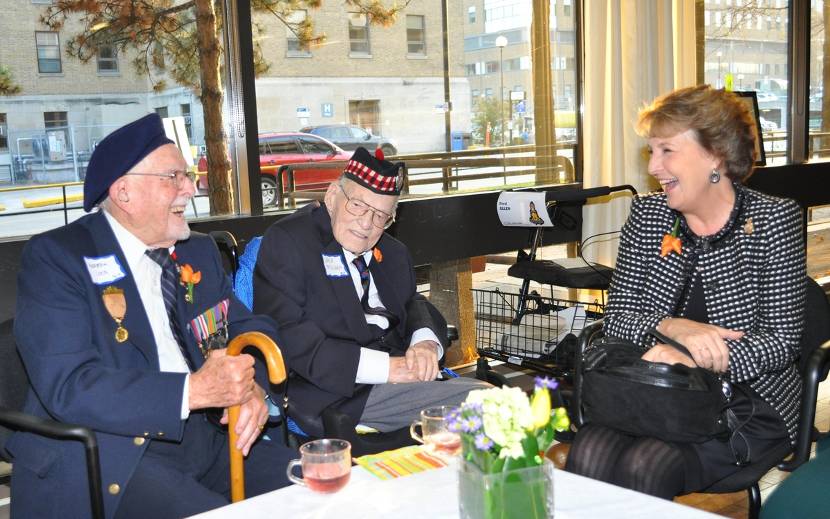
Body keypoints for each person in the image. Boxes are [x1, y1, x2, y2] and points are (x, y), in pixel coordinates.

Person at [9, 114, 294, 519]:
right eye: (173, 176)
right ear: (124, 192)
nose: (190, 188)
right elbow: (70, 386)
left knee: (325, 486)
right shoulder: (60, 258)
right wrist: (193, 392)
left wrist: (252, 390)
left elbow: (250, 327)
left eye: (189, 175)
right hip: (112, 454)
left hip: (208, 438)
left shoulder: (196, 251)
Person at [565, 85, 805, 499]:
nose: (654, 167)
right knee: (588, 451)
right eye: (651, 152)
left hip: (745, 397)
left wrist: (696, 358)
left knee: (647, 465)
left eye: (667, 151)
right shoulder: (648, 215)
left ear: (715, 155)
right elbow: (618, 321)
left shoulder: (773, 220)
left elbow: (781, 343)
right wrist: (672, 327)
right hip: (653, 389)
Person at [253, 147, 487, 437]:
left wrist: (425, 343)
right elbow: (289, 336)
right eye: (358, 206)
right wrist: (388, 369)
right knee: (487, 404)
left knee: (487, 401)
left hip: (405, 380)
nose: (366, 224)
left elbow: (412, 303)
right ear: (332, 197)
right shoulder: (291, 242)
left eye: (380, 216)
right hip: (338, 392)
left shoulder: (392, 251)